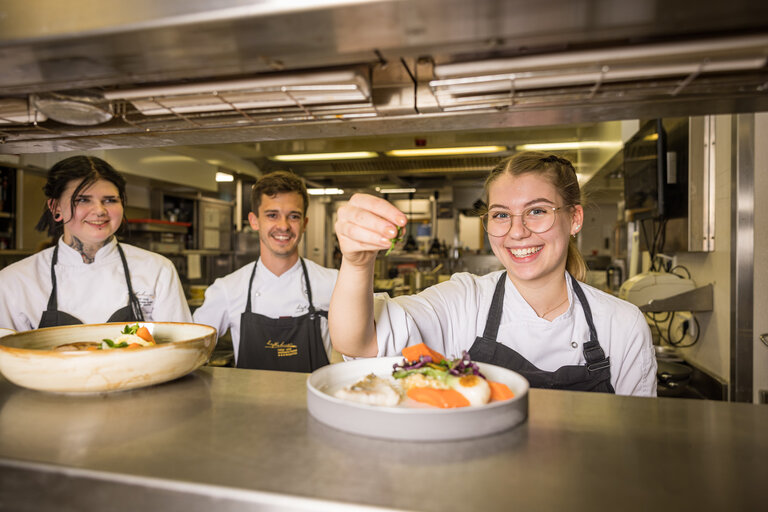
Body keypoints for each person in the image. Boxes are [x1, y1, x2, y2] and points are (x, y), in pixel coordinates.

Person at [330, 151, 656, 396]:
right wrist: (357, 263)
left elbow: (634, 442)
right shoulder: (465, 300)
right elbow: (359, 342)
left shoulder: (621, 324)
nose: (517, 231)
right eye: (501, 215)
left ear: (575, 219)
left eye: (537, 211)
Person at [0, 155, 192, 331]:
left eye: (110, 200)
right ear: (55, 207)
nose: (100, 210)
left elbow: (183, 346)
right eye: (83, 200)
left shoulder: (157, 270)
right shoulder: (15, 281)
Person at [193, 170, 338, 371]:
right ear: (254, 221)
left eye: (293, 216)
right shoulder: (227, 289)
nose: (283, 226)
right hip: (249, 393)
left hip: (313, 393)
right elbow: (190, 350)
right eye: (272, 215)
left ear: (304, 224)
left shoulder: (333, 283)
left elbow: (362, 350)